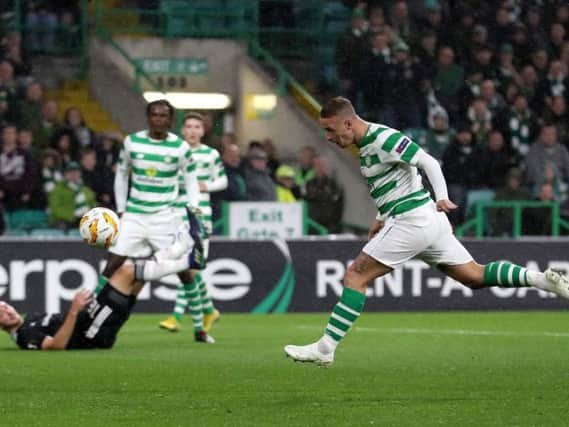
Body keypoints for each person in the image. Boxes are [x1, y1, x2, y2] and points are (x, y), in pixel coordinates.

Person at [284, 97, 569, 366]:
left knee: (356, 276)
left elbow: (428, 162)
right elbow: (398, 181)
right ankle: (543, 280)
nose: (329, 138)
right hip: (426, 221)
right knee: (474, 276)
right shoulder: (366, 145)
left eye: (330, 130)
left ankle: (325, 349)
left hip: (413, 220)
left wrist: (442, 197)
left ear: (347, 123)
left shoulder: (383, 137)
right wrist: (381, 216)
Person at [100, 100, 214, 344]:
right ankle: (90, 313)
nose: (159, 119)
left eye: (164, 116)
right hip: (134, 216)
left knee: (186, 272)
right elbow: (121, 175)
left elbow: (192, 181)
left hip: (165, 218)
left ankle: (200, 329)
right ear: (148, 117)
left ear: (170, 120)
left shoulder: (180, 147)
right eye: (155, 115)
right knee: (112, 266)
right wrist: (120, 209)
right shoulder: (132, 142)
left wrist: (194, 210)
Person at [0, 230, 202, 350]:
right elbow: (55, 346)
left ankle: (181, 248)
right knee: (125, 272)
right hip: (92, 333)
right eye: (1, 314)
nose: (7, 311)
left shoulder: (31, 318)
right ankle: (187, 257)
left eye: (5, 306)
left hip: (91, 321)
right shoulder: (24, 335)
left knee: (137, 273)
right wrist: (73, 310)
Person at [159, 112, 227, 334]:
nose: (192, 130)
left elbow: (223, 180)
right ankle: (209, 310)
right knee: (189, 267)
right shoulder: (175, 152)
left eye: (197, 126)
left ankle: (176, 316)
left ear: (203, 130)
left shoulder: (210, 154)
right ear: (182, 130)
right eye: (188, 126)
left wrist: (207, 185)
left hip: (200, 215)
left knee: (189, 266)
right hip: (177, 214)